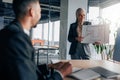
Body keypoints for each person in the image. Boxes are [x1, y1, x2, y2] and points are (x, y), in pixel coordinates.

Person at [0, 0, 72, 80]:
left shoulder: (10, 32)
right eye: (40, 11)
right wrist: (60, 74)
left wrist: (48, 66)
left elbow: (23, 69)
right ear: (32, 12)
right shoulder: (17, 39)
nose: (40, 15)